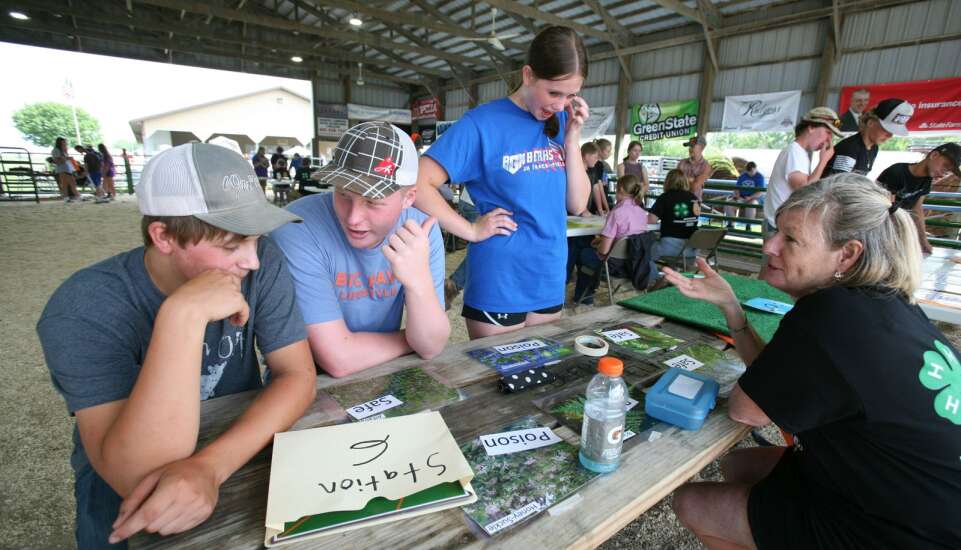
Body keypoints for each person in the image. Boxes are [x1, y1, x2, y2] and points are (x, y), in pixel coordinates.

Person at [36, 143, 316, 549]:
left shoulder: (263, 260)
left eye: (256, 239)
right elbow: (138, 473)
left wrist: (211, 466)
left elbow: (297, 374)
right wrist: (181, 316)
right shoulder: (82, 307)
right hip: (126, 485)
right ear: (163, 236)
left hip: (239, 446)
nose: (252, 261)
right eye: (231, 245)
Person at [666, 173, 961, 550]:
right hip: (919, 498)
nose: (769, 246)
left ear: (848, 254)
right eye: (775, 230)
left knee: (690, 501)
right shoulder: (888, 301)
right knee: (737, 465)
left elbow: (748, 410)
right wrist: (731, 307)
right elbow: (771, 388)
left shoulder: (832, 311)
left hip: (905, 529)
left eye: (790, 239)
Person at [412, 26, 592, 339]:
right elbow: (418, 183)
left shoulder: (563, 121)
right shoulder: (482, 124)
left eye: (571, 95)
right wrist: (469, 229)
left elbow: (577, 203)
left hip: (548, 272)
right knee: (499, 382)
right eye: (553, 93)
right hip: (501, 277)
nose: (561, 105)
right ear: (528, 75)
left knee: (542, 376)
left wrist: (573, 138)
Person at [271, 121, 450, 377]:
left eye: (373, 201)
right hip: (304, 382)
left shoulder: (420, 230)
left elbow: (431, 347)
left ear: (408, 198)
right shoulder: (296, 227)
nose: (354, 218)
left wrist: (418, 282)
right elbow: (338, 359)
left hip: (381, 371)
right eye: (343, 194)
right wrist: (412, 340)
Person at [573, 174, 652, 304]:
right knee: (591, 253)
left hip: (614, 266)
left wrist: (598, 244)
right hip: (636, 262)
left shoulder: (616, 213)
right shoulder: (642, 213)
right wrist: (602, 242)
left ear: (619, 189)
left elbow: (604, 251)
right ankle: (587, 293)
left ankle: (584, 297)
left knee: (584, 254)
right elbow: (629, 240)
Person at [762, 106, 841, 233]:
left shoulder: (799, 153)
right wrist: (823, 161)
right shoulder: (795, 152)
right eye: (828, 132)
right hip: (777, 226)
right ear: (811, 127)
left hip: (779, 224)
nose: (829, 140)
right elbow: (803, 189)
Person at [877, 142, 961, 254]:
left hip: (896, 233)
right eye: (945, 165)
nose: (943, 173)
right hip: (879, 231)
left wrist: (923, 241)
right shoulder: (897, 172)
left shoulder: (927, 180)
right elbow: (884, 209)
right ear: (934, 155)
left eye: (948, 171)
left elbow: (917, 209)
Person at [824, 98, 914, 177]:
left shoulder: (874, 148)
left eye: (892, 132)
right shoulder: (849, 148)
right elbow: (836, 184)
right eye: (886, 129)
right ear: (870, 123)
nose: (890, 135)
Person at [648, 168, 700, 267]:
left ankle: (653, 277)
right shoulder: (694, 198)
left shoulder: (665, 197)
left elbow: (651, 220)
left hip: (668, 249)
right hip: (691, 251)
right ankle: (671, 274)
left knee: (643, 247)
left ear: (668, 182)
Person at [725, 162, 765, 230]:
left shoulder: (760, 177)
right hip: (742, 197)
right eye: (748, 171)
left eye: (752, 170)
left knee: (751, 204)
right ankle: (731, 224)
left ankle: (748, 225)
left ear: (755, 168)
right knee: (728, 204)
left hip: (754, 198)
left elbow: (760, 192)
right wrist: (737, 196)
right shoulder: (742, 176)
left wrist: (750, 197)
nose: (750, 172)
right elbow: (737, 188)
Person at [678, 135, 711, 199]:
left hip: (694, 203)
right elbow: (675, 183)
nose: (690, 149)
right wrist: (691, 179)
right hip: (679, 200)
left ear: (702, 147)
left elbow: (694, 187)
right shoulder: (682, 163)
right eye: (689, 146)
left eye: (693, 146)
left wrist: (682, 179)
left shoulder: (706, 166)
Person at [51, 136, 79, 202]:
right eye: (63, 142)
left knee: (67, 183)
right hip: (62, 168)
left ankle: (67, 197)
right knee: (68, 183)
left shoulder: (63, 150)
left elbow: (64, 159)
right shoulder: (56, 150)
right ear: (60, 142)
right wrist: (67, 158)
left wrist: (67, 157)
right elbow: (57, 160)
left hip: (67, 168)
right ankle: (75, 196)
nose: (65, 143)